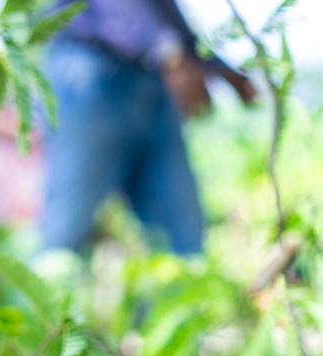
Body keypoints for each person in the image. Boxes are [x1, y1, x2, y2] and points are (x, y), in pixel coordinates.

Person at [39, 0, 255, 256]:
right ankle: (41, 291)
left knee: (181, 237)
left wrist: (211, 64)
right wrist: (172, 57)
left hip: (150, 76)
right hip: (93, 70)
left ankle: (182, 291)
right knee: (69, 228)